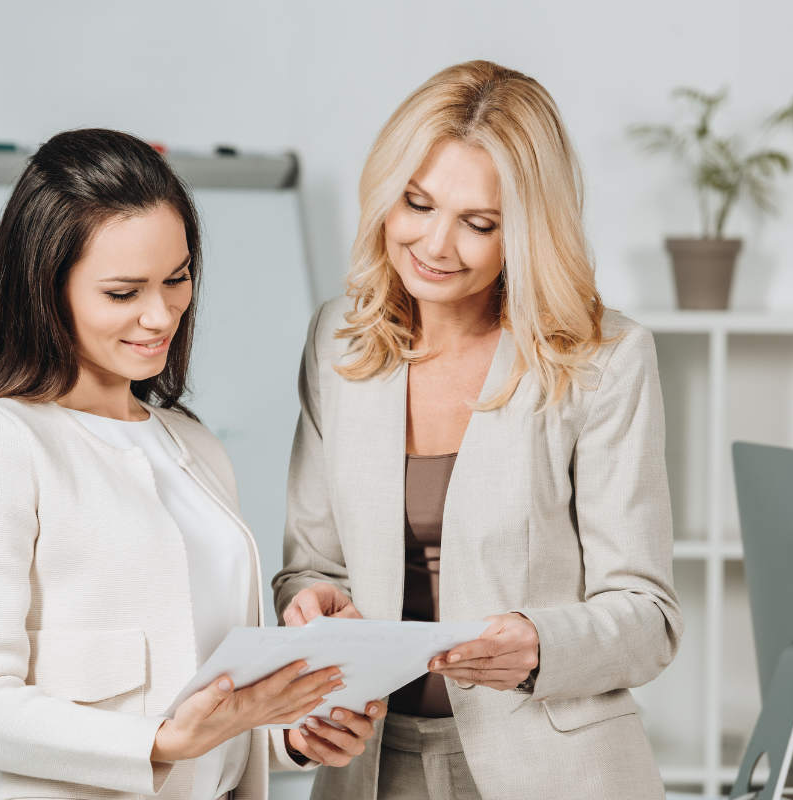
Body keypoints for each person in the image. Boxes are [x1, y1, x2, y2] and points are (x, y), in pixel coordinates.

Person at [0, 128, 384, 800]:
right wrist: (160, 742)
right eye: (123, 293)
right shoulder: (1, 444)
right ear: (46, 289)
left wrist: (293, 734)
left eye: (177, 278)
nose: (161, 315)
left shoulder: (193, 445)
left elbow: (204, 699)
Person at [274, 61, 683, 800]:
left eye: (478, 224)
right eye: (417, 204)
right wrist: (311, 606)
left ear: (524, 230)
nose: (435, 244)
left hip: (552, 770)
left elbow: (649, 617)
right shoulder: (338, 341)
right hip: (369, 765)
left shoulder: (605, 360)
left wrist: (539, 644)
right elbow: (312, 568)